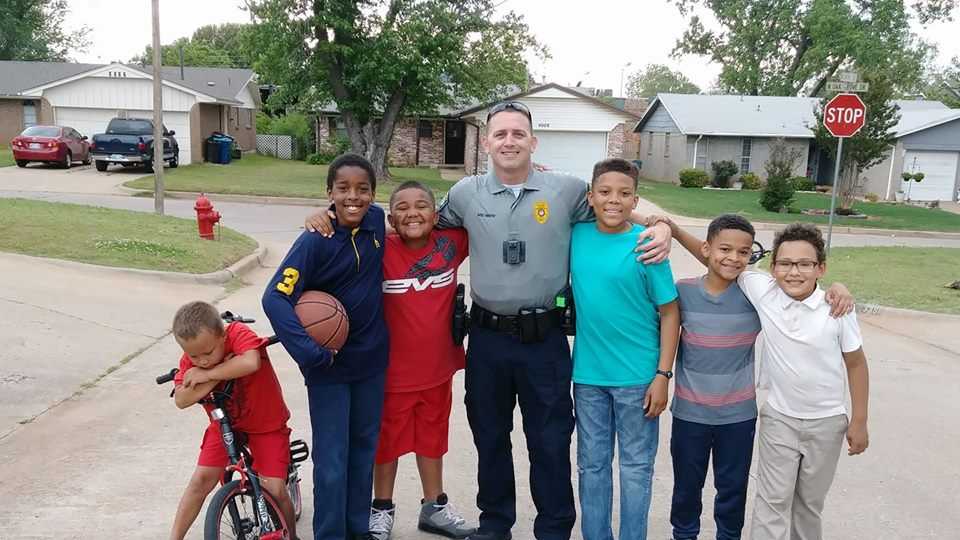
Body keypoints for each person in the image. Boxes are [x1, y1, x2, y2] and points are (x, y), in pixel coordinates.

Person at [304, 102, 673, 540]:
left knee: (550, 442)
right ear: (487, 143)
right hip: (487, 336)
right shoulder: (464, 194)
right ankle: (495, 524)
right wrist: (331, 216)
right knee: (490, 439)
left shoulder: (569, 191)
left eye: (519, 134)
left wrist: (660, 223)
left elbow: (619, 199)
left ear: (533, 141)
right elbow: (411, 220)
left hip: (545, 338)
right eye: (500, 134)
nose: (510, 141)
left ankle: (553, 528)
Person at [665, 219, 866, 540]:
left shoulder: (831, 308)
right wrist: (673, 230)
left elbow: (856, 363)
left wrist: (859, 420)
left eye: (804, 264)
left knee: (803, 504)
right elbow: (718, 258)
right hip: (771, 418)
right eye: (785, 263)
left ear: (820, 268)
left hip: (816, 420)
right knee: (767, 500)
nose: (794, 272)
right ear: (772, 267)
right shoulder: (760, 288)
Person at [263, 153, 389, 540]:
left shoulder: (376, 222)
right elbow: (274, 299)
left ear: (372, 193)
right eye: (343, 189)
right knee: (332, 461)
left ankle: (358, 530)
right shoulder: (314, 241)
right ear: (329, 193)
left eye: (362, 189)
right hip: (329, 368)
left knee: (363, 452)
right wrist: (310, 353)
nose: (353, 197)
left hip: (371, 363)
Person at [569, 158, 680, 540]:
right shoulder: (577, 236)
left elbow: (670, 312)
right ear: (591, 197)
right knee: (592, 467)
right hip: (588, 378)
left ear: (636, 201)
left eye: (624, 194)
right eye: (604, 192)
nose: (613, 200)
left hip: (639, 378)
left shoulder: (647, 244)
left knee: (635, 468)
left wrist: (663, 375)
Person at [368, 181, 476, 539]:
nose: (412, 213)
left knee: (433, 439)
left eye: (421, 206)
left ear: (436, 215)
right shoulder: (379, 249)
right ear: (390, 218)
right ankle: (381, 507)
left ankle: (435, 506)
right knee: (387, 444)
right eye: (401, 207)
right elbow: (342, 232)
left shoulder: (452, 242)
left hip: (438, 369)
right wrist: (321, 215)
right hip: (392, 373)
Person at [168, 300, 296, 540]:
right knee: (200, 481)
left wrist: (207, 375)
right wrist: (221, 368)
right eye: (194, 356)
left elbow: (249, 362)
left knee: (275, 489)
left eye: (208, 353)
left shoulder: (238, 333)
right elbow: (182, 399)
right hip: (224, 427)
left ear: (222, 336)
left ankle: (292, 534)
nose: (202, 360)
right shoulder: (189, 361)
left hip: (266, 425)